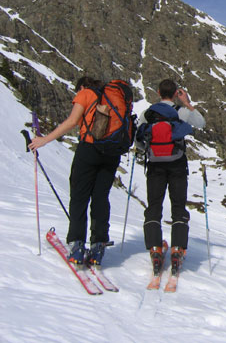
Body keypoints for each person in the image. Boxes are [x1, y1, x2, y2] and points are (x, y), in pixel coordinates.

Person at [28, 76, 121, 266]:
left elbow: (72, 121)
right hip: (112, 153)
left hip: (89, 150)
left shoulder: (85, 94)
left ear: (82, 86)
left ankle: (78, 245)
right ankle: (98, 245)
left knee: (79, 196)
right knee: (101, 198)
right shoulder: (112, 98)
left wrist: (44, 140)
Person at [136, 79, 205, 274]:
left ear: (158, 92)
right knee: (178, 206)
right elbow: (200, 122)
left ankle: (155, 248)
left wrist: (148, 150)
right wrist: (187, 103)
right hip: (177, 164)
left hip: (155, 164)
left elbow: (139, 138)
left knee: (154, 205)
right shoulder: (179, 111)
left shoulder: (148, 113)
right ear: (176, 93)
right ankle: (178, 248)